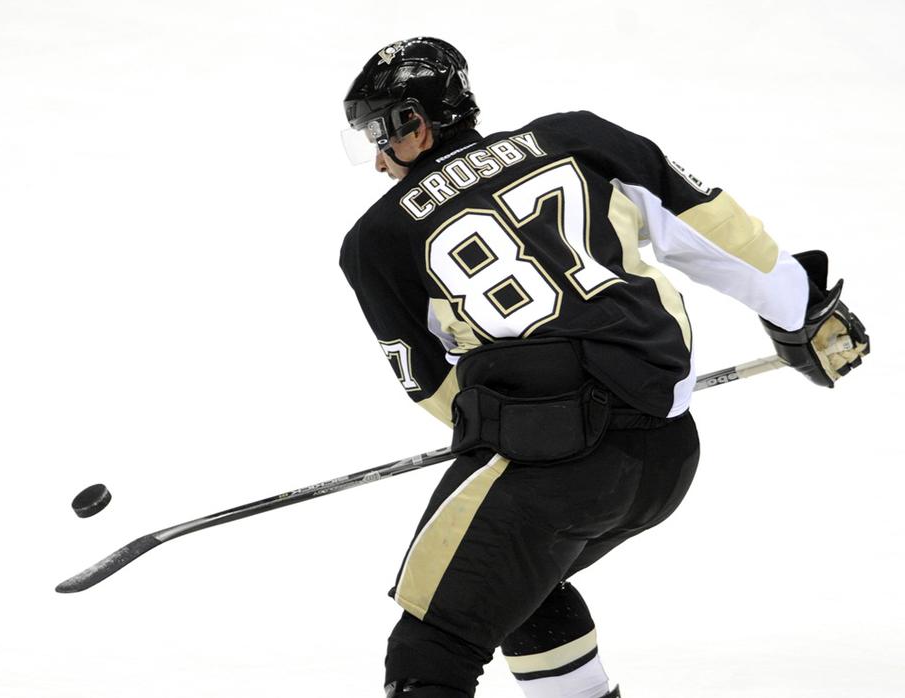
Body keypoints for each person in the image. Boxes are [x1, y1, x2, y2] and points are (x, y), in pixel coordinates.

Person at [339, 37, 869, 698]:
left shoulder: (377, 240)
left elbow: (434, 384)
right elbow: (712, 228)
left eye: (378, 135)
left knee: (431, 646)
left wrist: (490, 430)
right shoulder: (575, 137)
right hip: (665, 454)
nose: (377, 159)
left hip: (552, 468)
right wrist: (801, 313)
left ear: (414, 125)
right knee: (518, 590)